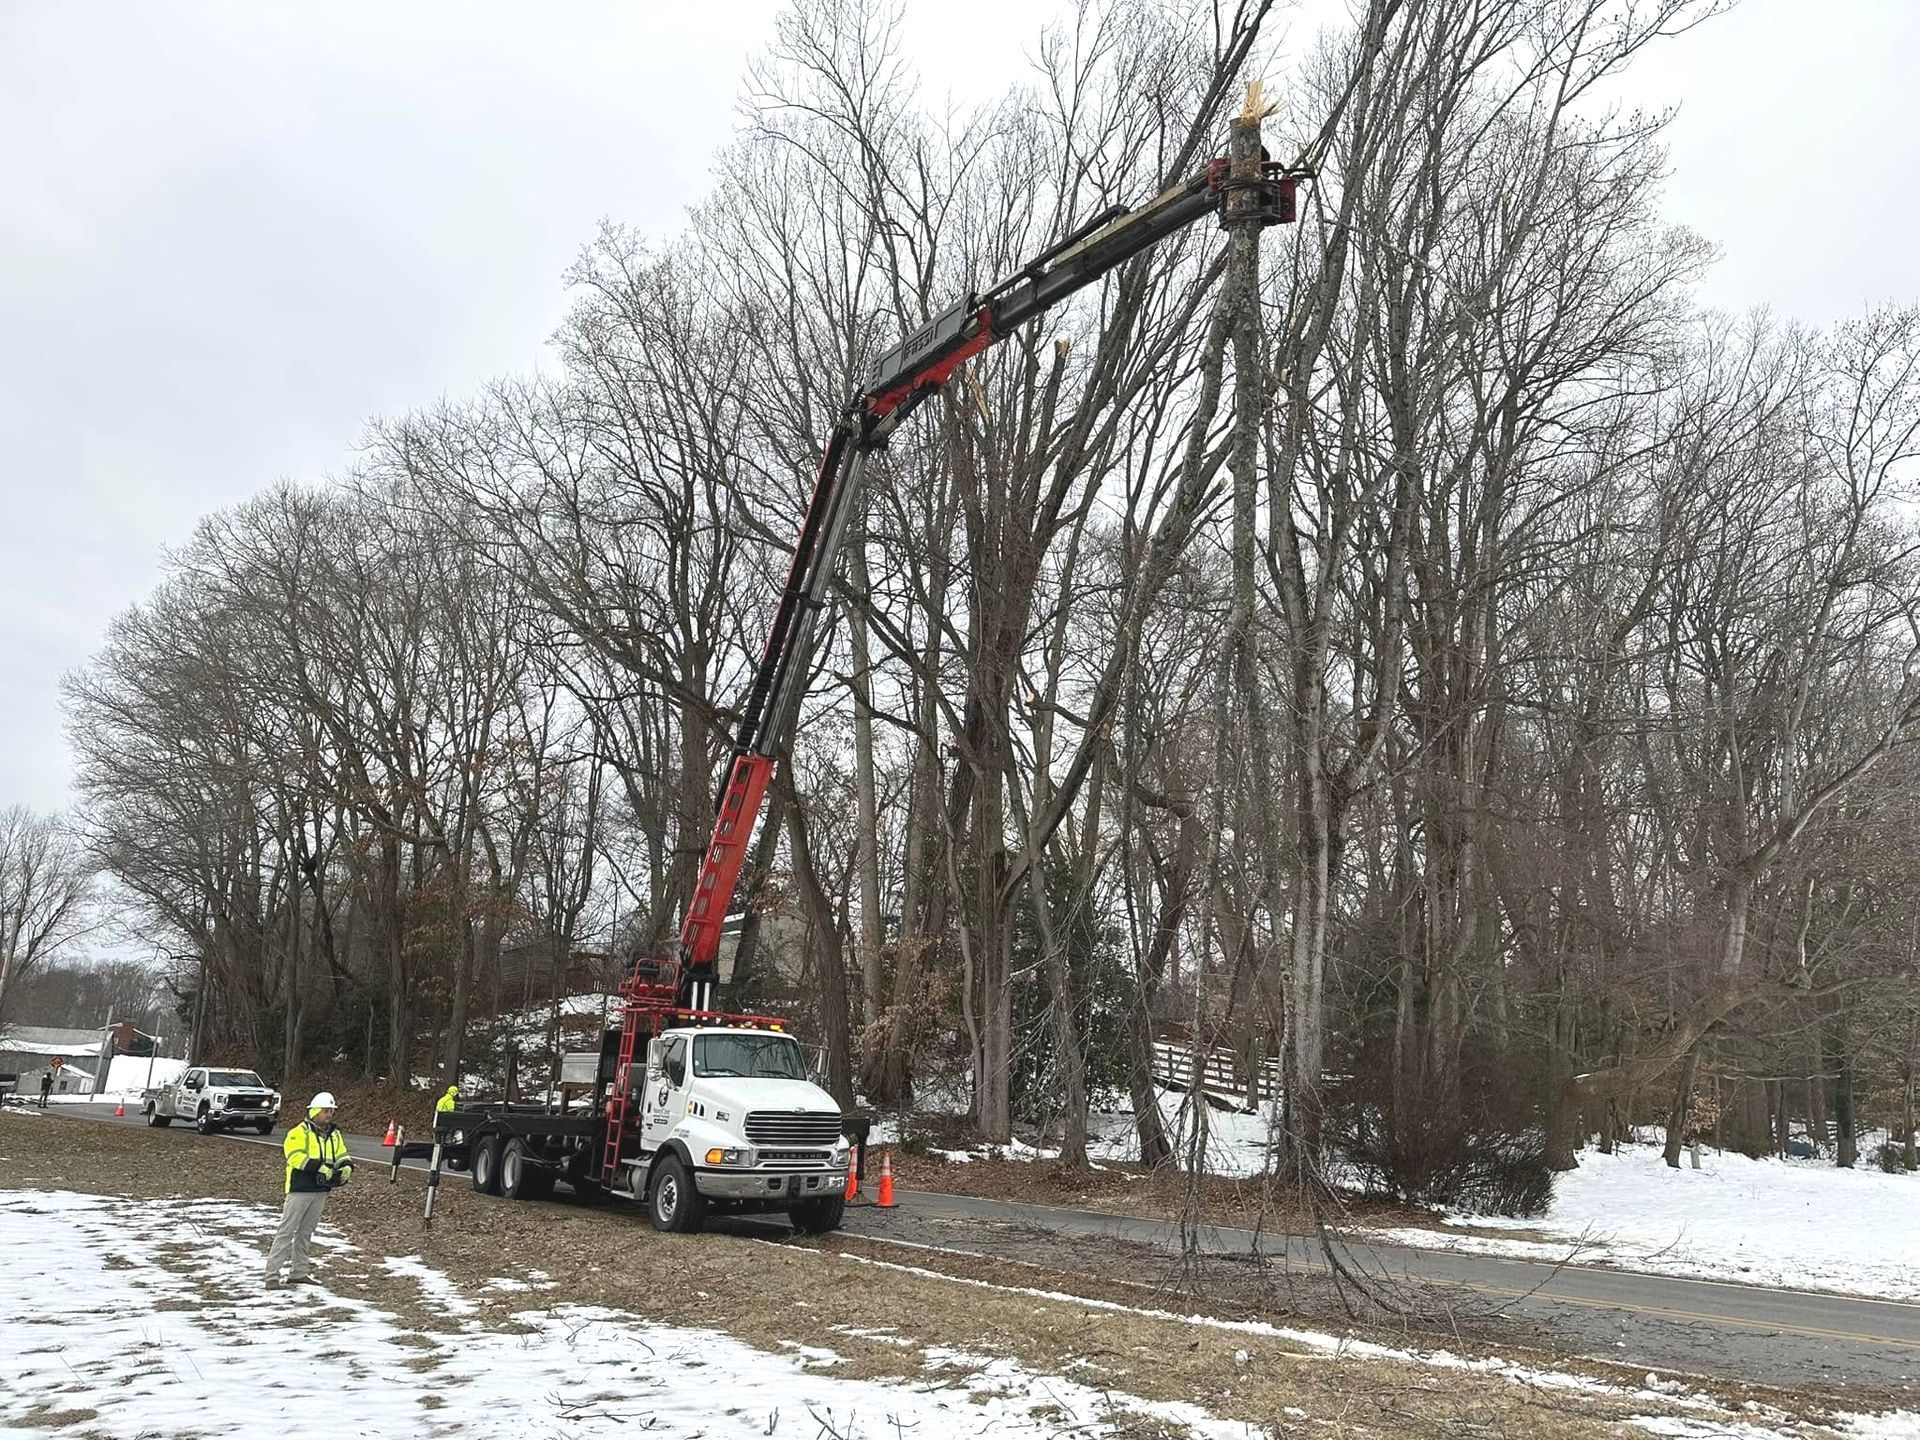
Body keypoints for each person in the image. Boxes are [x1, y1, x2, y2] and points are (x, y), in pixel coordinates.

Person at [263, 1092, 353, 1287]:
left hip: (321, 1189)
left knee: (306, 1232)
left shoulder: (334, 1134)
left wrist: (346, 1168)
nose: (329, 1114)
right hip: (300, 1188)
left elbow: (342, 1154)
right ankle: (272, 1276)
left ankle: (299, 1272)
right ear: (314, 1112)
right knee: (286, 1231)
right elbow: (294, 1156)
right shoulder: (299, 1132)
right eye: (325, 1111)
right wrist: (318, 1167)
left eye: (331, 1111)